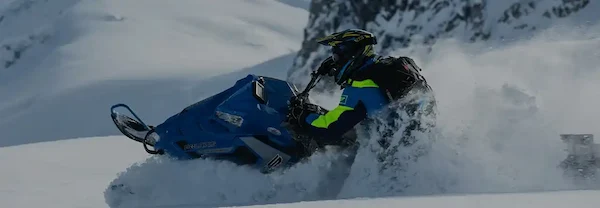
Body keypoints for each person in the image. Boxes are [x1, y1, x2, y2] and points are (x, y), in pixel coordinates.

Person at [286, 29, 437, 148]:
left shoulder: (360, 86)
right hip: (413, 142)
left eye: (338, 55)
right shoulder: (383, 68)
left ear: (352, 53)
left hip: (390, 158)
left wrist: (303, 117)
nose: (335, 61)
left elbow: (330, 129)